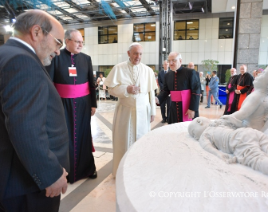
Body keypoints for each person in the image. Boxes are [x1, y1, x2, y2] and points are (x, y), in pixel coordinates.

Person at [0, 10, 69, 212]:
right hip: (25, 184)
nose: (58, 51)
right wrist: (49, 175)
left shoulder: (6, 54)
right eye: (58, 42)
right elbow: (25, 128)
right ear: (37, 32)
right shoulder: (22, 62)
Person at [188, 117, 268, 205]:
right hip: (250, 132)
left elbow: (207, 147)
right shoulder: (221, 123)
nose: (195, 135)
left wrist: (219, 155)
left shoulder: (205, 134)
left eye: (193, 132)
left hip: (238, 140)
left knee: (256, 159)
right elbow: (235, 119)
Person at [46, 29, 97, 183]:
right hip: (62, 105)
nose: (81, 44)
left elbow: (91, 83)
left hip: (83, 104)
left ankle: (87, 169)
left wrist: (93, 104)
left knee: (84, 135)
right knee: (64, 137)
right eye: (77, 41)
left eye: (82, 42)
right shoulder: (56, 57)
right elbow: (49, 83)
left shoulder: (86, 59)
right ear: (67, 41)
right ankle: (66, 172)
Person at [104, 43, 157, 176]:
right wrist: (126, 89)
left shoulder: (148, 70)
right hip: (125, 111)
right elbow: (111, 89)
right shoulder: (119, 68)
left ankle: (140, 170)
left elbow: (151, 93)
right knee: (123, 142)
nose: (138, 57)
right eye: (135, 53)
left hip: (143, 111)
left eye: (140, 54)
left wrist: (153, 112)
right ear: (129, 53)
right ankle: (123, 172)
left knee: (142, 142)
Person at [221, 62, 268, 140]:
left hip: (250, 132)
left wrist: (221, 120)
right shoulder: (263, 96)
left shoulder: (257, 96)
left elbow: (241, 115)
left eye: (263, 73)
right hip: (253, 130)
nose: (258, 75)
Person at [156, 52, 200, 123]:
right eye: (169, 61)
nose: (171, 63)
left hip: (188, 108)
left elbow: (196, 91)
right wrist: (157, 99)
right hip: (173, 108)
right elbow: (165, 91)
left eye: (173, 60)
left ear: (180, 61)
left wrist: (192, 108)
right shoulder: (167, 75)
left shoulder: (190, 72)